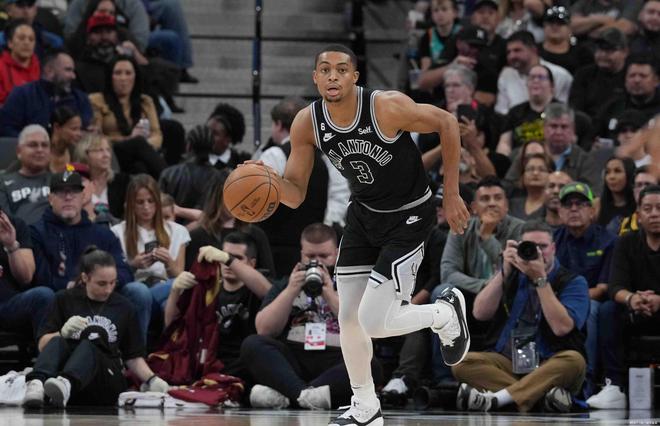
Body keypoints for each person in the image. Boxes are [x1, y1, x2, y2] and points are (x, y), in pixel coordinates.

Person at [248, 44, 471, 425]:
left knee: (372, 321)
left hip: (408, 216)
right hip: (363, 216)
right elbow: (296, 193)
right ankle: (366, 407)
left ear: (354, 77)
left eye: (341, 69)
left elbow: (447, 123)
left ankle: (444, 313)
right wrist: (267, 181)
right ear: (315, 78)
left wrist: (450, 193)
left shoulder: (385, 106)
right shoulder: (307, 122)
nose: (332, 76)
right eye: (324, 70)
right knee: (350, 317)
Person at [241, 223, 383, 411]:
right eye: (310, 256)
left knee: (371, 364)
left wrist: (329, 294)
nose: (317, 262)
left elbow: (366, 330)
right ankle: (307, 396)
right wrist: (291, 290)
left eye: (324, 256)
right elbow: (264, 329)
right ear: (301, 254)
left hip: (337, 357)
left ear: (337, 254)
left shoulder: (351, 284)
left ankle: (291, 396)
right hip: (294, 359)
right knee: (252, 344)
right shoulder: (286, 283)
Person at [453, 220, 589, 413]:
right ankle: (538, 398)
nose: (537, 252)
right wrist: (504, 271)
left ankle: (498, 399)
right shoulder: (511, 275)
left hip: (549, 362)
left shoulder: (573, 282)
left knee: (574, 360)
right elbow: (480, 313)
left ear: (553, 248)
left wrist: (540, 279)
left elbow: (562, 328)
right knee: (461, 362)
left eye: (542, 247)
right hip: (508, 362)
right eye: (530, 246)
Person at [22, 247, 169, 408]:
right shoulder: (64, 299)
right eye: (102, 283)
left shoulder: (124, 307)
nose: (108, 289)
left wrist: (152, 379)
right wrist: (62, 333)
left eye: (113, 283)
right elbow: (43, 346)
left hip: (105, 377)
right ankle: (36, 384)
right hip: (61, 376)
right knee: (57, 340)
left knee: (89, 344)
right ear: (85, 278)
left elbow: (133, 357)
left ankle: (67, 383)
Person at [29, 169, 152, 342]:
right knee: (44, 294)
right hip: (62, 300)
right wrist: (73, 285)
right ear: (50, 198)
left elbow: (124, 271)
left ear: (83, 197)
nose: (68, 197)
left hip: (102, 298)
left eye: (74, 192)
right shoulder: (37, 232)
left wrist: (102, 283)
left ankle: (137, 353)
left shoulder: (103, 234)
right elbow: (39, 278)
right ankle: (47, 352)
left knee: (138, 291)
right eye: (61, 192)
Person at [587, 185, 660, 409]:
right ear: (638, 215)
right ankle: (615, 386)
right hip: (634, 310)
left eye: (659, 208)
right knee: (608, 309)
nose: (654, 213)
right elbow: (615, 286)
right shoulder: (626, 241)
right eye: (648, 208)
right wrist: (632, 299)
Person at [165, 232, 271, 380]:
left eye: (237, 258)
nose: (227, 263)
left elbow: (268, 292)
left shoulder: (256, 287)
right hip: (209, 363)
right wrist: (175, 291)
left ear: (252, 264)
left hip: (245, 365)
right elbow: (171, 325)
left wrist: (228, 259)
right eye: (224, 256)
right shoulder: (207, 290)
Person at [553, 182, 617, 398]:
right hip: (556, 302)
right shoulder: (552, 241)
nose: (573, 209)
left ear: (592, 210)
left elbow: (603, 288)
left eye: (580, 204)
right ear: (560, 212)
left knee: (589, 312)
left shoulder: (608, 241)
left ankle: (586, 382)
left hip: (591, 302)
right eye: (568, 205)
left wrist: (572, 302)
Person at [258, 96, 329, 277]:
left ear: (278, 125)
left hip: (275, 249)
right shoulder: (325, 158)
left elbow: (259, 201)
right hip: (312, 248)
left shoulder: (274, 154)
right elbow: (337, 202)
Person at [111, 174, 189, 315]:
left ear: (157, 202)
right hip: (134, 288)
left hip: (164, 287)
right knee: (141, 291)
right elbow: (113, 278)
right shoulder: (117, 232)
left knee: (172, 297)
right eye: (140, 202)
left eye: (151, 201)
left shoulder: (178, 231)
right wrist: (133, 265)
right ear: (131, 204)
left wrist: (168, 263)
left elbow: (178, 277)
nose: (146, 207)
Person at [440, 176, 524, 296]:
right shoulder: (461, 227)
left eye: (498, 198)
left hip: (505, 294)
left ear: (506, 205)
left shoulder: (520, 228)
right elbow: (448, 273)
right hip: (469, 292)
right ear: (474, 207)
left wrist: (486, 236)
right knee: (442, 291)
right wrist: (484, 285)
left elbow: (514, 273)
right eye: (485, 199)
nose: (492, 203)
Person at [89, 55, 166, 178]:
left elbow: (157, 134)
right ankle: (171, 180)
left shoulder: (145, 101)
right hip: (111, 151)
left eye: (128, 73)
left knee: (140, 167)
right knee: (137, 143)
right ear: (110, 76)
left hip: (140, 152)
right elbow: (96, 138)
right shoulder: (96, 100)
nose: (123, 78)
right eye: (118, 73)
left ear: (136, 76)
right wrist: (129, 139)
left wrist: (145, 145)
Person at [185, 173, 275, 276]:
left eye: (241, 196)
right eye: (231, 195)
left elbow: (269, 277)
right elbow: (189, 276)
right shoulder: (197, 235)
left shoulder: (256, 234)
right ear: (217, 197)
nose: (237, 201)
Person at [0, 50, 93, 137]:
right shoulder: (22, 94)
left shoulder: (80, 98)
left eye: (73, 71)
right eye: (68, 70)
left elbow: (87, 130)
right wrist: (30, 141)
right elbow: (7, 129)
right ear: (49, 71)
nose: (73, 76)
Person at [0, 209, 54, 339]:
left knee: (44, 295)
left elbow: (26, 277)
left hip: (8, 304)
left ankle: (47, 350)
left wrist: (11, 246)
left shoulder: (12, 224)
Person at [494, 31, 572, 115]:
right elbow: (501, 111)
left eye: (517, 50)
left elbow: (563, 110)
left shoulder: (560, 75)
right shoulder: (506, 75)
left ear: (533, 50)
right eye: (508, 52)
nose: (511, 56)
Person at [159, 124, 225, 210]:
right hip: (205, 218)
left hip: (173, 217)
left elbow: (159, 204)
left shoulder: (168, 174)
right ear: (212, 147)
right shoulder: (219, 178)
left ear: (188, 146)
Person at [541, 103, 602, 194]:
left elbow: (595, 193)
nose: (558, 132)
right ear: (544, 128)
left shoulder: (585, 160)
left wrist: (572, 188)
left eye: (564, 127)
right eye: (553, 126)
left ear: (573, 129)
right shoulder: (531, 155)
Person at [496, 64, 556, 156]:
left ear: (552, 85)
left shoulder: (562, 111)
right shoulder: (514, 112)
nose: (536, 80)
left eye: (541, 77)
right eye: (532, 77)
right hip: (520, 160)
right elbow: (504, 143)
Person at [569, 28, 628, 119]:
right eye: (600, 49)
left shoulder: (632, 76)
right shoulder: (584, 75)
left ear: (625, 52)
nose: (603, 55)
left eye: (609, 50)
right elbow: (575, 109)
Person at [0, 124, 51, 224]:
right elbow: (4, 221)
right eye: (33, 145)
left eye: (44, 145)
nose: (40, 150)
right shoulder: (3, 183)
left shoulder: (59, 181)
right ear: (19, 151)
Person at [72, 132, 130, 221]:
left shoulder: (123, 181)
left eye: (108, 150)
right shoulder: (76, 184)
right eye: (99, 150)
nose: (106, 155)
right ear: (85, 154)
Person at [538, 6, 593, 74]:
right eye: (551, 23)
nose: (555, 27)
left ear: (569, 28)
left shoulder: (583, 54)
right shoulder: (535, 51)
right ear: (544, 26)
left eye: (560, 23)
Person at [0, 19, 40, 105]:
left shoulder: (42, 67)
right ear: (10, 43)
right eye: (21, 38)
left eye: (31, 39)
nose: (27, 42)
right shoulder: (1, 68)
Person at [205, 103, 252, 171]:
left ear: (227, 139)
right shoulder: (196, 161)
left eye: (215, 133)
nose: (208, 135)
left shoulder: (243, 164)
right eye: (207, 130)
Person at [508, 153, 554, 221]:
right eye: (530, 169)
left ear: (551, 175)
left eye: (542, 170)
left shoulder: (554, 205)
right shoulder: (511, 205)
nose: (535, 173)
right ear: (522, 175)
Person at [596, 157, 636, 233]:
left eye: (617, 171)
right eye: (607, 172)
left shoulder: (640, 206)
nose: (612, 177)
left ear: (629, 174)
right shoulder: (597, 205)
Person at [618, 165, 659, 235]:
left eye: (648, 185)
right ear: (633, 190)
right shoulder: (623, 224)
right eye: (639, 185)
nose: (643, 189)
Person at [49, 106, 82, 173]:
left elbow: (69, 176)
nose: (79, 134)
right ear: (57, 127)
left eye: (79, 129)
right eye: (74, 129)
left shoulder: (75, 153)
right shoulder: (42, 152)